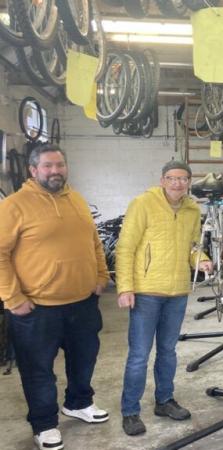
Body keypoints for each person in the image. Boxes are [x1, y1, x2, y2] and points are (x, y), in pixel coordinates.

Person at [0, 144, 110, 450]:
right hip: (37, 309)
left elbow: (94, 242)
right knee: (38, 370)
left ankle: (78, 403)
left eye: (60, 165)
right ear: (33, 170)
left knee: (84, 359)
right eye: (48, 166)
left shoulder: (76, 198)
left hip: (83, 303)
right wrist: (12, 298)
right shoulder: (14, 205)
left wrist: (102, 277)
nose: (55, 171)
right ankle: (44, 423)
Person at [116, 161, 213, 436]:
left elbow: (192, 247)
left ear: (189, 182)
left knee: (168, 352)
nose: (177, 184)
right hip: (147, 292)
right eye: (172, 178)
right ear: (162, 180)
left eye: (183, 179)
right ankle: (130, 411)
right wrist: (125, 288)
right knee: (139, 355)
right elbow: (125, 247)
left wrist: (202, 260)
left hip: (177, 292)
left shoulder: (193, 210)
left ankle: (164, 400)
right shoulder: (143, 204)